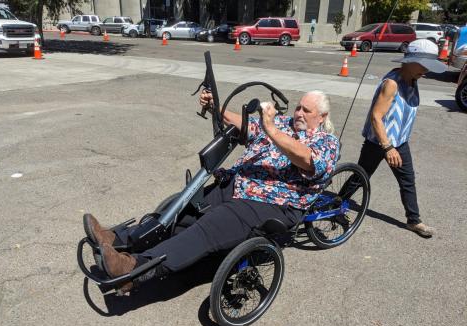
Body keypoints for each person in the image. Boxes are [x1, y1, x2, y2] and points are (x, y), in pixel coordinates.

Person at [83, 90, 340, 293]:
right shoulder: (283, 124)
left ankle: (133, 270)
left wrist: (271, 128)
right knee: (181, 210)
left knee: (208, 229)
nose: (299, 112)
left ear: (322, 117)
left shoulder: (326, 143)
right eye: (298, 106)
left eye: (307, 110)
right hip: (238, 183)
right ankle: (119, 239)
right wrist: (215, 106)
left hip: (273, 201)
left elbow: (306, 159)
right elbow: (243, 124)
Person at [353, 39, 447, 237]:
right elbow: (376, 116)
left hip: (400, 142)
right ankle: (336, 204)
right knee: (360, 177)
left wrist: (396, 145)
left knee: (407, 180)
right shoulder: (392, 84)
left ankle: (414, 221)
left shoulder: (412, 79)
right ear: (411, 61)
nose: (427, 71)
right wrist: (387, 147)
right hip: (379, 142)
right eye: (424, 65)